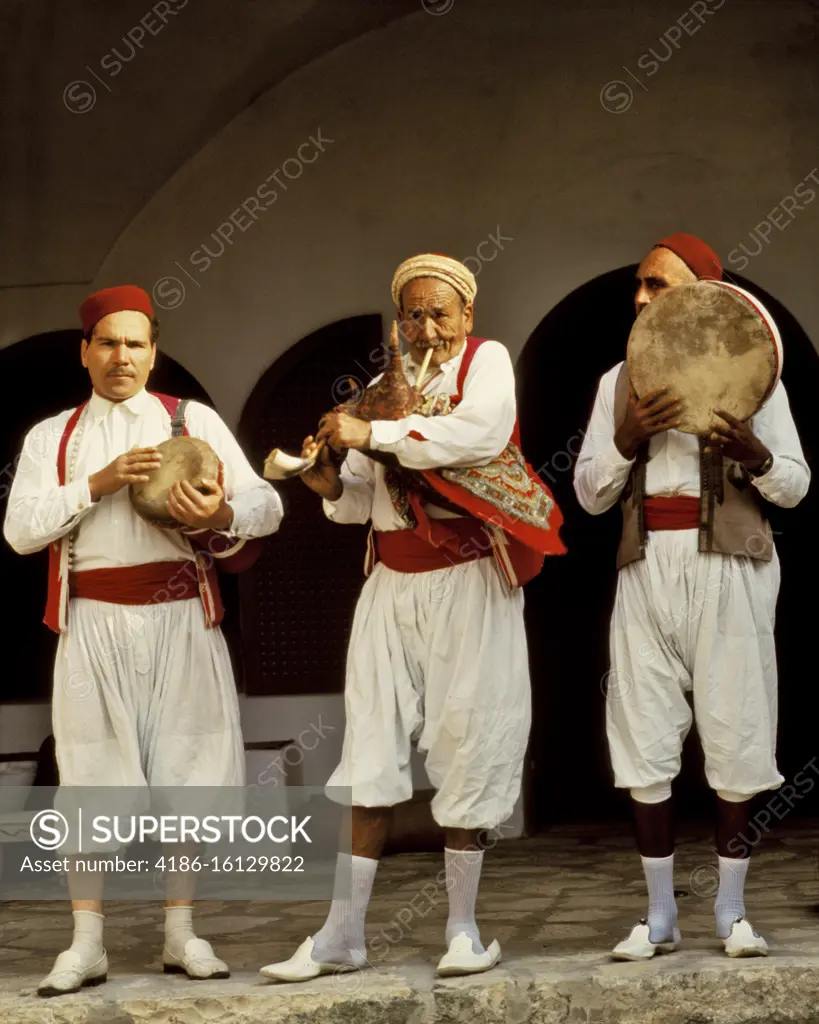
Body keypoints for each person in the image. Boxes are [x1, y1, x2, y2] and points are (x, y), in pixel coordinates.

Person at [260, 253, 564, 982]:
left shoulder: (484, 366)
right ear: (398, 321)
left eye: (440, 313)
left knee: (468, 741)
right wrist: (325, 475)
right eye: (413, 314)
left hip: (467, 582)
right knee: (368, 746)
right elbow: (359, 503)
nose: (427, 327)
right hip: (390, 586)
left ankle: (461, 929)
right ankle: (341, 934)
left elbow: (477, 437)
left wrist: (374, 436)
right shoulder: (376, 390)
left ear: (465, 316)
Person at [4, 285, 284, 996]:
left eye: (134, 343)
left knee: (187, 771)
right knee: (91, 774)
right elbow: (19, 531)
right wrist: (93, 485)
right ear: (85, 352)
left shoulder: (193, 422)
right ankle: (86, 942)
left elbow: (268, 506)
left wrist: (217, 509)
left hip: (180, 618)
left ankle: (180, 932)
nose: (120, 356)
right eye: (107, 342)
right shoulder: (54, 438)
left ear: (153, 353)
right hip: (93, 622)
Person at [573, 234, 810, 960]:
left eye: (658, 285)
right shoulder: (617, 381)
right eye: (639, 287)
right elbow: (587, 495)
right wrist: (623, 437)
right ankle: (658, 916)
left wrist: (755, 456)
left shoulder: (753, 368)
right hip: (645, 568)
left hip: (730, 567)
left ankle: (731, 912)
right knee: (642, 735)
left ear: (704, 296)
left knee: (735, 730)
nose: (642, 298)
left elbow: (795, 486)